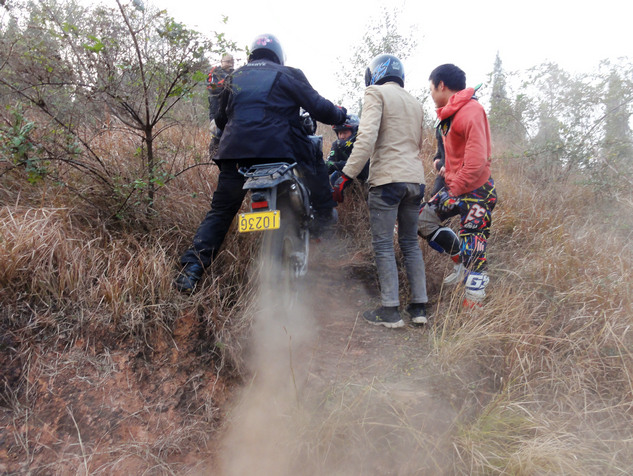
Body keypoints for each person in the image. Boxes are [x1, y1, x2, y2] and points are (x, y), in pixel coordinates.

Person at [174, 33, 347, 293]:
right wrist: (340, 114)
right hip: (280, 150)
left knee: (221, 212)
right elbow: (320, 108)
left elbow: (221, 120)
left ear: (252, 54)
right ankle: (323, 218)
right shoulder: (288, 73)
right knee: (314, 158)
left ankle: (191, 271)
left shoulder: (234, 77)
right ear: (278, 55)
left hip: (235, 154)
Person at [333, 53, 429, 328]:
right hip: (415, 180)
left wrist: (345, 175)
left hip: (387, 180)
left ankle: (390, 311)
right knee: (410, 243)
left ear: (375, 73)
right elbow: (417, 144)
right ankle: (419, 308)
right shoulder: (415, 101)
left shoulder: (375, 93)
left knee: (385, 244)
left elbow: (365, 138)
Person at [417, 64, 497, 307]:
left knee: (474, 246)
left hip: (478, 192)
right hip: (456, 187)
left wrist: (452, 188)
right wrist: (442, 164)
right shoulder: (448, 115)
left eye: (431, 88)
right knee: (421, 219)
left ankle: (474, 305)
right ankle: (459, 264)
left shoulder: (472, 110)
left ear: (441, 85)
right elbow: (456, 154)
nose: (430, 94)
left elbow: (476, 163)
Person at [325, 114, 369, 185]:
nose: (342, 136)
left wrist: (336, 165)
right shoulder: (336, 145)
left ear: (355, 132)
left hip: (365, 178)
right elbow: (329, 164)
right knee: (334, 177)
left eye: (345, 133)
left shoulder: (362, 144)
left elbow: (362, 167)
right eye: (340, 133)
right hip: (346, 176)